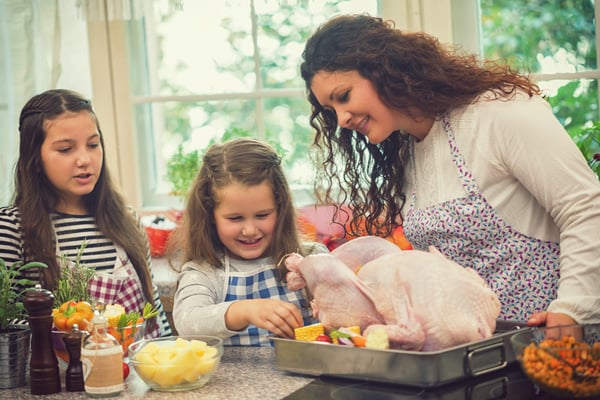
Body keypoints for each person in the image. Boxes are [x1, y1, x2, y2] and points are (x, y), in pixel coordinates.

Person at [300, 14, 600, 328]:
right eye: (330, 111)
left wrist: (570, 313)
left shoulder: (497, 113)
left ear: (383, 69)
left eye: (343, 97)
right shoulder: (407, 150)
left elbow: (586, 209)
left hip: (548, 343)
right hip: (474, 354)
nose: (341, 120)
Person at [0, 89, 171, 337]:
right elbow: (8, 333)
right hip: (57, 375)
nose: (85, 159)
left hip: (133, 373)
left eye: (93, 144)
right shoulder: (11, 227)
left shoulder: (127, 219)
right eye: (66, 149)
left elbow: (153, 311)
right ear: (35, 158)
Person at [171, 137, 328, 346]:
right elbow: (187, 324)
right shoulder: (204, 272)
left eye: (262, 215)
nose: (250, 230)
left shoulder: (311, 259)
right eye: (235, 218)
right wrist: (244, 310)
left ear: (281, 210)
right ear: (209, 216)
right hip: (232, 380)